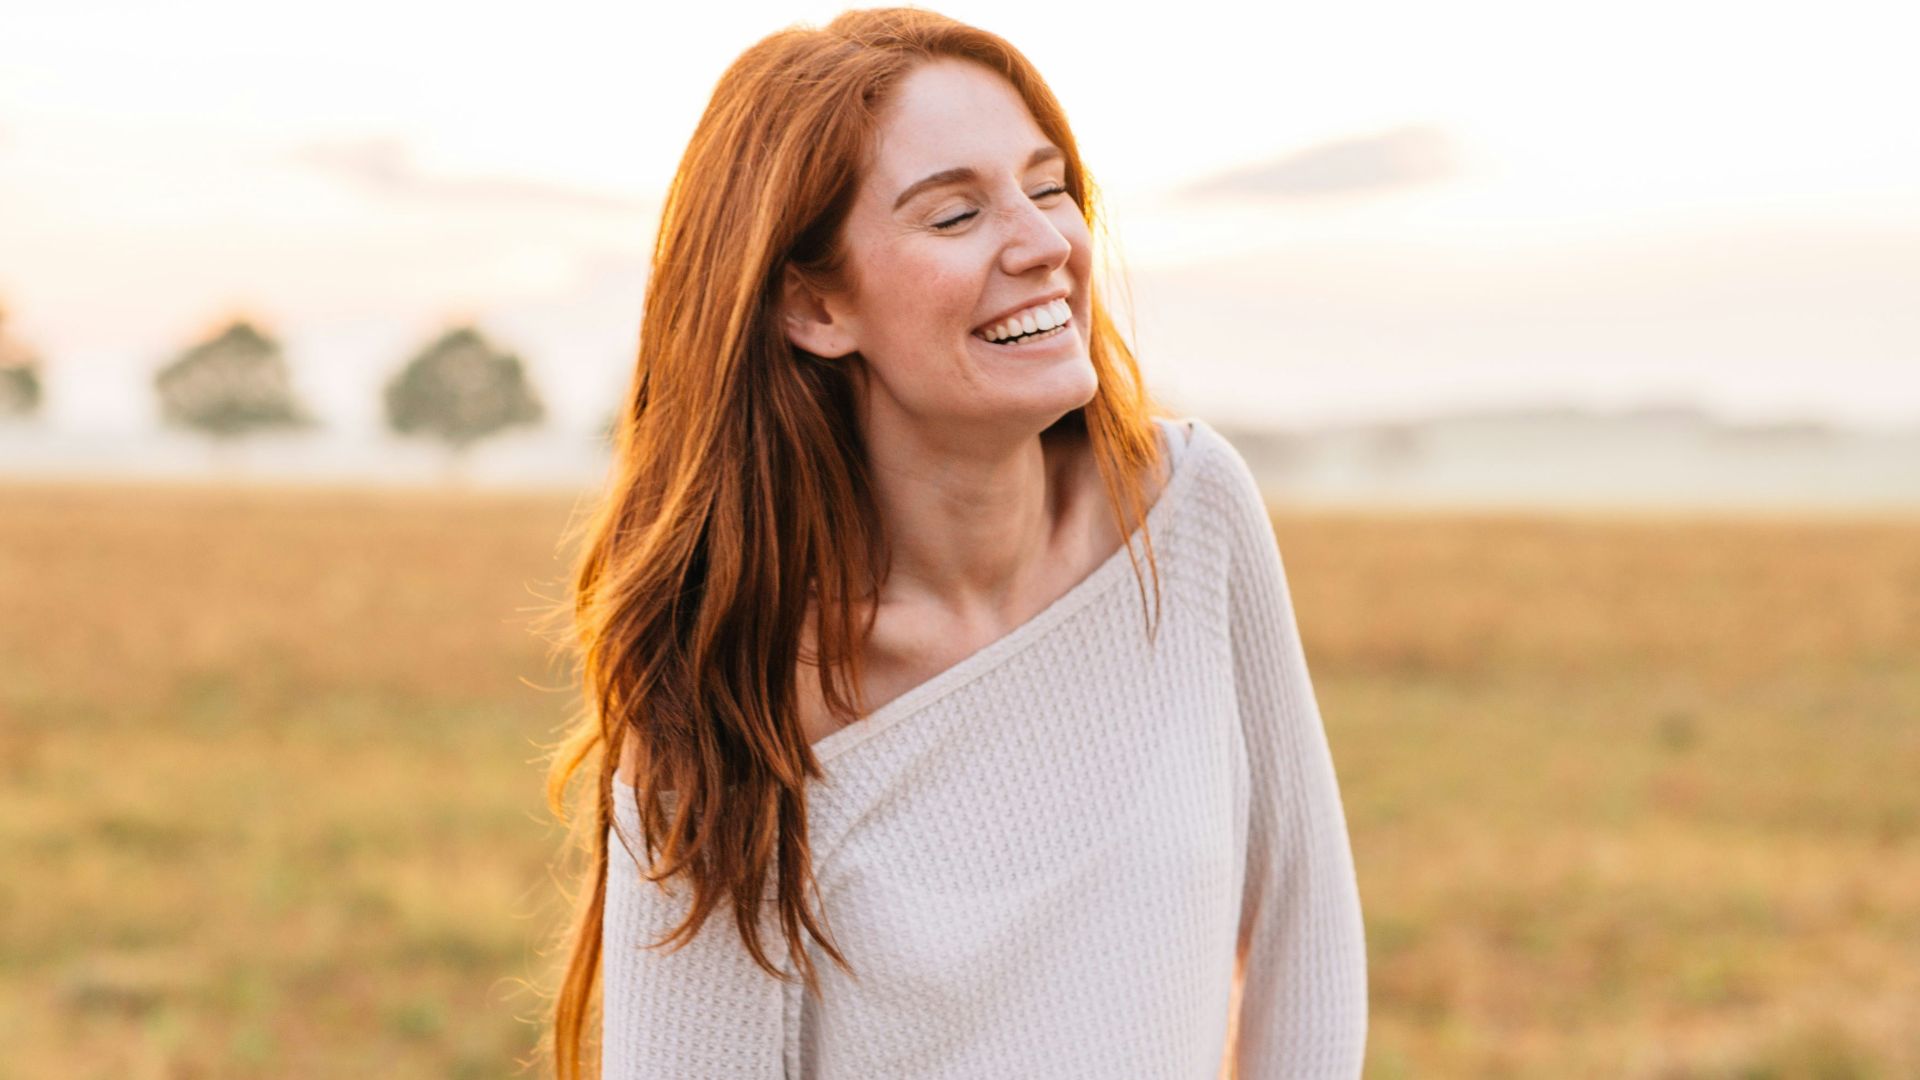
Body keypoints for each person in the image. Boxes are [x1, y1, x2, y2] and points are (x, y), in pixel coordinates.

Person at [539, 8, 1368, 1078]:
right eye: (956, 214)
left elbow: (1306, 937)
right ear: (813, 306)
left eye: (1048, 187)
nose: (1044, 244)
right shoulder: (731, 692)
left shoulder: (1192, 510)